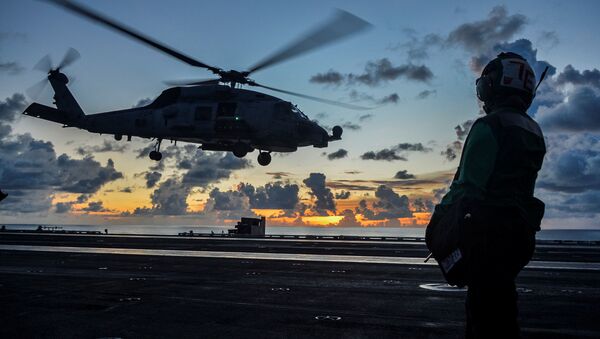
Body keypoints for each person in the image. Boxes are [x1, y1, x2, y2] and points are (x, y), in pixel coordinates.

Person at [434, 52, 546, 338]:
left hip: (486, 237)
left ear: (495, 86)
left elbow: (467, 187)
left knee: (482, 316)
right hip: (519, 236)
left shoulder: (489, 126)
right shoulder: (533, 130)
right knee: (504, 311)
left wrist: (439, 222)